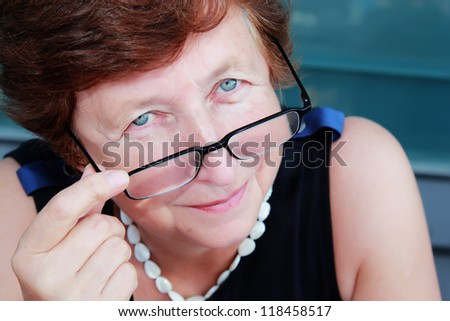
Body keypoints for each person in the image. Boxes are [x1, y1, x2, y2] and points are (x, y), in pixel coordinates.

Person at [0, 0, 441, 301]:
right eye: (143, 119)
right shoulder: (19, 218)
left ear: (272, 72)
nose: (221, 167)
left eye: (228, 85)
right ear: (76, 154)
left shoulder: (358, 175)